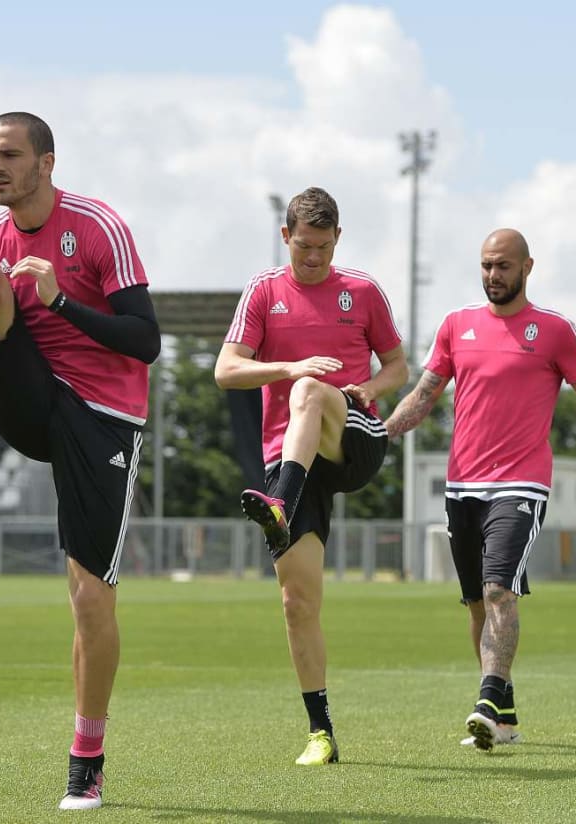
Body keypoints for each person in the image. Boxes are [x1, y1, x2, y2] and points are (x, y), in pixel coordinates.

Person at [0, 111, 160, 811]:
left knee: (89, 600)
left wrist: (58, 300)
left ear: (46, 162)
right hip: (32, 398)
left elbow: (146, 341)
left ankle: (87, 757)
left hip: (103, 418)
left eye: (9, 154)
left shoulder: (98, 226)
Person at [214, 187, 408, 765]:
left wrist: (369, 389)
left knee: (307, 393)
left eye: (323, 248)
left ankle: (278, 504)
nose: (314, 259)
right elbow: (227, 370)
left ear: (338, 240)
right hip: (290, 456)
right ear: (285, 238)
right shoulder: (264, 291)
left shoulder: (362, 291)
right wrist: (290, 365)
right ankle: (320, 732)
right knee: (297, 601)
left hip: (351, 437)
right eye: (304, 248)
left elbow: (398, 365)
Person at [385, 228, 576, 750]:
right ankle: (507, 719)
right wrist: (381, 432)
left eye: (504, 266)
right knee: (477, 602)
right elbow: (424, 395)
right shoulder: (456, 325)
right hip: (462, 484)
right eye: (487, 265)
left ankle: (486, 702)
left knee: (499, 589)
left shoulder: (557, 331)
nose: (494, 275)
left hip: (521, 483)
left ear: (527, 267)